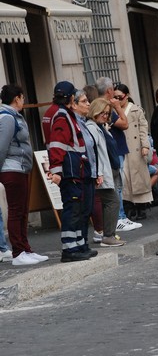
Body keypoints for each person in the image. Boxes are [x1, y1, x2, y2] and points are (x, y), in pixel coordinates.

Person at [0, 84, 49, 266]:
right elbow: (2, 146)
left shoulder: (14, 116)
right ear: (17, 98)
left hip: (20, 168)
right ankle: (18, 252)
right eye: (22, 97)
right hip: (12, 168)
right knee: (16, 211)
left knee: (21, 211)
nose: (23, 101)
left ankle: (25, 249)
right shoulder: (7, 118)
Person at [48, 81, 95, 262]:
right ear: (71, 98)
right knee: (72, 209)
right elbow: (57, 146)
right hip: (70, 172)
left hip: (76, 170)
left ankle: (77, 246)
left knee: (77, 209)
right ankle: (69, 249)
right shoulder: (62, 116)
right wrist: (57, 171)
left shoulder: (66, 115)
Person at [95, 77, 139, 231]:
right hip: (113, 150)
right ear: (109, 90)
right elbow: (125, 124)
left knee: (118, 185)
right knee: (116, 186)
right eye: (113, 88)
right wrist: (118, 107)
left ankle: (121, 217)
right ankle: (119, 218)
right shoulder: (105, 106)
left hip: (116, 148)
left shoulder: (105, 104)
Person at [86, 98, 126, 247]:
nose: (105, 115)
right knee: (113, 201)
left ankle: (108, 234)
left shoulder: (101, 127)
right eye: (102, 112)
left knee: (109, 202)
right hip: (102, 173)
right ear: (95, 111)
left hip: (109, 171)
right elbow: (94, 152)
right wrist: (98, 173)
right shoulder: (92, 127)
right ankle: (107, 235)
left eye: (107, 113)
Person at [114, 83, 153, 221]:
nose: (118, 100)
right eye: (115, 97)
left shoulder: (137, 110)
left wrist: (145, 146)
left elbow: (143, 128)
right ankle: (129, 206)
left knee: (138, 178)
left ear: (127, 95)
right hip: (122, 147)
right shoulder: (113, 111)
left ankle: (141, 207)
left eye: (120, 97)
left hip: (136, 148)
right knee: (124, 179)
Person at [72, 90, 99, 256]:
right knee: (81, 211)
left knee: (87, 209)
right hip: (80, 173)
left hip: (89, 172)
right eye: (84, 101)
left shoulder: (83, 121)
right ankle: (79, 245)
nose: (88, 104)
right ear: (74, 105)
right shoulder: (73, 122)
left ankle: (84, 243)